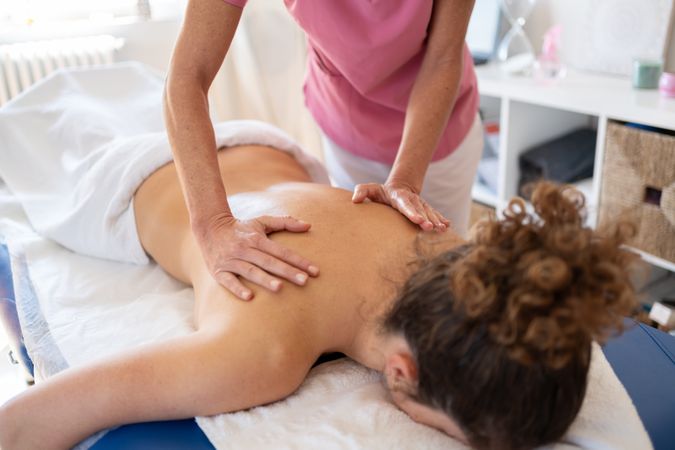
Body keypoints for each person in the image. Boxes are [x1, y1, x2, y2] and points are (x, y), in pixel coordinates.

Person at [0, 140, 636, 450]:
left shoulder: (454, 247)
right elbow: (30, 420)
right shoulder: (261, 354)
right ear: (401, 373)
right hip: (126, 177)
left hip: (267, 144)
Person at [163, 0, 482, 300]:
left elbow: (443, 57)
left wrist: (406, 181)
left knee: (444, 283)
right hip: (345, 122)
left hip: (437, 131)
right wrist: (212, 224)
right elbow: (187, 76)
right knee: (368, 274)